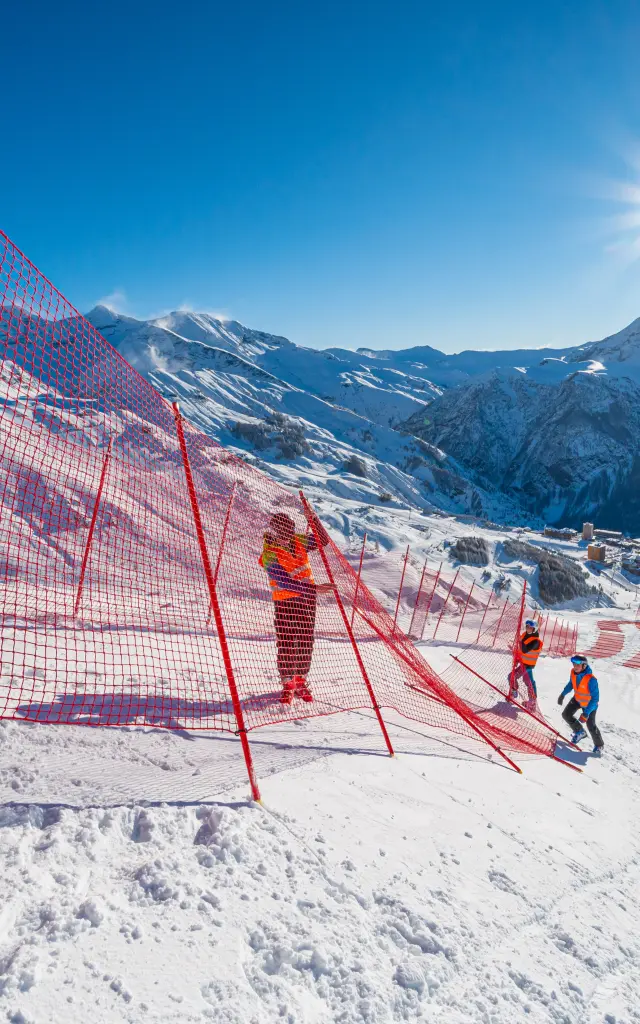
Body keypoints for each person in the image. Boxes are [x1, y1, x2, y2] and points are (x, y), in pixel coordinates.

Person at [259, 511, 332, 705]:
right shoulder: (269, 553)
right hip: (285, 602)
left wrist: (312, 518)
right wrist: (315, 589)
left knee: (306, 641)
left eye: (289, 530)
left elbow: (323, 540)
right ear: (275, 531)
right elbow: (284, 582)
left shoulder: (298, 540)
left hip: (307, 600)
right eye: (283, 532)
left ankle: (300, 681)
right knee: (287, 642)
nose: (287, 536)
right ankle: (288, 685)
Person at [557, 654, 604, 755]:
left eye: (578, 665)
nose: (575, 666)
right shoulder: (573, 673)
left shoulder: (591, 679)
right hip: (577, 699)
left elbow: (595, 699)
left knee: (591, 725)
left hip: (589, 704)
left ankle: (599, 745)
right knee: (566, 715)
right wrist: (563, 694)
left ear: (584, 665)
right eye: (574, 664)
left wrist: (586, 713)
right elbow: (571, 684)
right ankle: (580, 732)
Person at [508, 619, 543, 705]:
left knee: (529, 682)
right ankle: (514, 692)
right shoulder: (524, 636)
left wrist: (519, 640)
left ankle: (532, 701)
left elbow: (524, 649)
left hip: (528, 666)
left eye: (530, 627)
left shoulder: (536, 641)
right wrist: (517, 659)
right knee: (512, 677)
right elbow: (520, 650)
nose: (528, 629)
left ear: (534, 629)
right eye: (527, 627)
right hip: (523, 664)